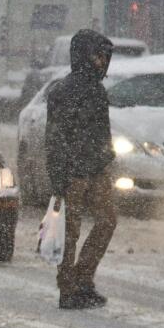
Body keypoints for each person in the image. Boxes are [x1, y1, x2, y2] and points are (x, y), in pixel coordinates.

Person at [44, 29, 117, 310]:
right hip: (74, 173)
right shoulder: (64, 92)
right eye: (98, 56)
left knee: (107, 221)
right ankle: (69, 288)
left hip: (96, 169)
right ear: (84, 55)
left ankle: (83, 279)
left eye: (105, 57)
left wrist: (105, 158)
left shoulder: (97, 91)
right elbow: (56, 138)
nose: (102, 62)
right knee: (69, 233)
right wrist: (59, 178)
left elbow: (101, 133)